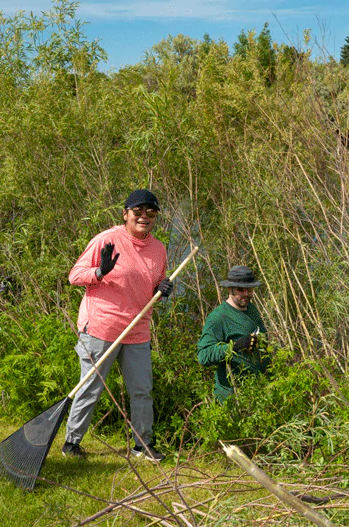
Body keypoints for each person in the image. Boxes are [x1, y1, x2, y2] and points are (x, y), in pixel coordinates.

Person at [61, 189, 173, 462]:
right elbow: (74, 276)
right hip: (101, 327)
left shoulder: (158, 249)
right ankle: (71, 443)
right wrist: (100, 272)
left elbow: (155, 281)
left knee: (141, 391)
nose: (144, 217)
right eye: (138, 211)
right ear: (125, 214)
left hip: (138, 330)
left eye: (151, 212)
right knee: (91, 388)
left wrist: (162, 287)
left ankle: (142, 445)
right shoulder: (107, 239)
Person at [197, 265, 269, 401]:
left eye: (249, 290)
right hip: (232, 396)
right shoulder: (218, 317)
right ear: (230, 289)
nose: (246, 294)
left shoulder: (252, 309)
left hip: (256, 391)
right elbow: (203, 355)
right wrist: (235, 346)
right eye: (241, 290)